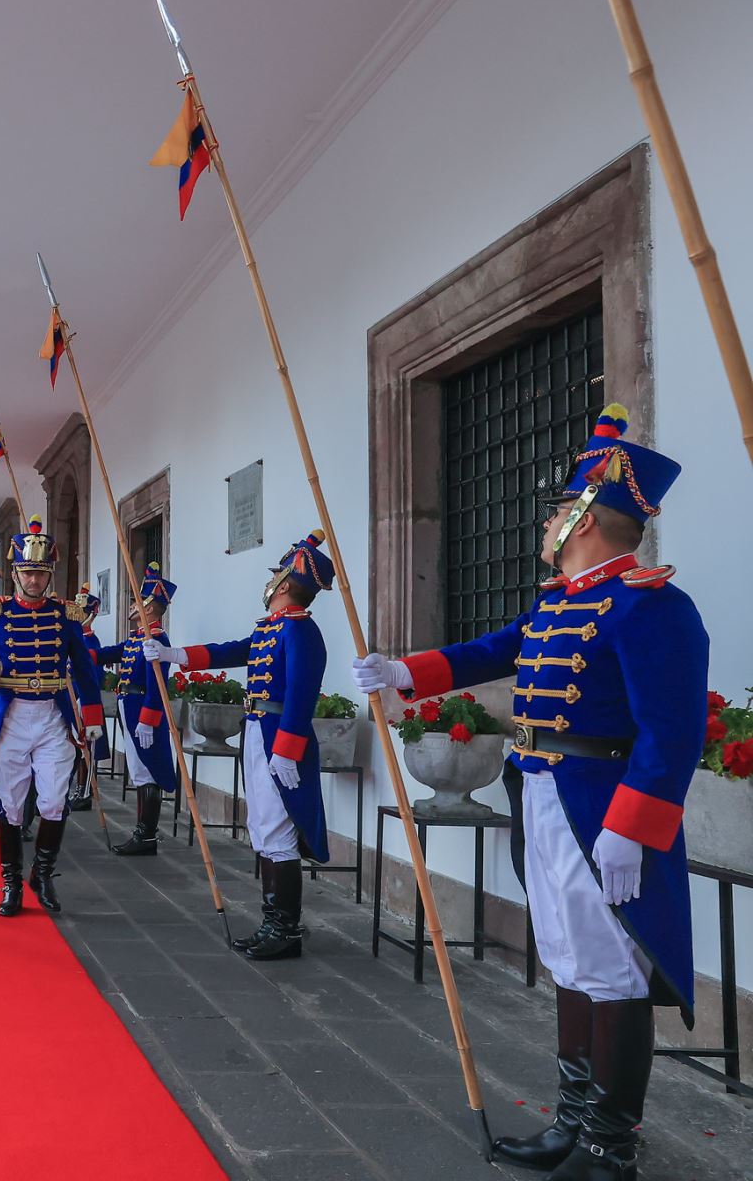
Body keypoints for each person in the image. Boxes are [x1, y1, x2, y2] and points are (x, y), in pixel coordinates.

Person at [352, 406, 703, 1180]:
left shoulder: (653, 606)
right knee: (572, 962)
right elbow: (491, 650)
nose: (546, 522)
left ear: (583, 516)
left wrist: (633, 826)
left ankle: (611, 1148)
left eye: (556, 509)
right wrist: (404, 670)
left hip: (603, 809)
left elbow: (673, 733)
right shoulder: (558, 601)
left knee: (614, 971)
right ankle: (574, 1123)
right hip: (543, 793)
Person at [147, 531, 332, 960]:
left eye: (274, 576)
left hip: (280, 741)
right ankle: (275, 923)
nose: (269, 582)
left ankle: (283, 928)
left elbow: (302, 693)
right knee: (265, 829)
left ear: (284, 584)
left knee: (276, 830)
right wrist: (175, 656)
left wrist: (286, 749)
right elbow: (231, 651)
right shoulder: (273, 629)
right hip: (258, 731)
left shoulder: (300, 631)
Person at [0, 518, 103, 916]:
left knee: (55, 801)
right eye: (27, 572)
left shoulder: (65, 615)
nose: (34, 580)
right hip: (12, 717)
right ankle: (11, 883)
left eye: (40, 572)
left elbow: (85, 669)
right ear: (16, 573)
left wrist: (91, 715)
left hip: (53, 717)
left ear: (49, 574)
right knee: (11, 804)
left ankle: (42, 873)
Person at [97, 565, 178, 857]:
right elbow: (112, 652)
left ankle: (146, 835)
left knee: (148, 772)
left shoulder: (157, 640)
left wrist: (147, 720)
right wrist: (82, 652)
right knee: (139, 770)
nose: (131, 606)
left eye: (136, 602)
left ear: (150, 607)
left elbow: (158, 686)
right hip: (129, 707)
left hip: (142, 711)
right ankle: (143, 832)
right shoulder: (137, 638)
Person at [68, 582, 107, 812]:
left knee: (86, 749)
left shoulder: (91, 641)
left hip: (83, 699)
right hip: (70, 697)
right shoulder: (74, 637)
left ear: (91, 615)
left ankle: (84, 790)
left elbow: (94, 675)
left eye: (82, 612)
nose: (78, 615)